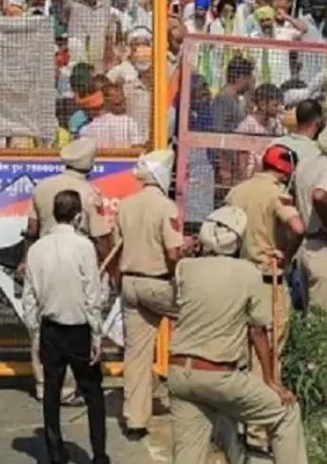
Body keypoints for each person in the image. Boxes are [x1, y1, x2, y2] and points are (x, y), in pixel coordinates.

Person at [168, 206, 307, 463]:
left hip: (180, 375)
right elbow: (257, 331)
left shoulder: (185, 268)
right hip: (219, 376)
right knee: (286, 413)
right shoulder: (248, 273)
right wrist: (270, 380)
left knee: (189, 451)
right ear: (239, 241)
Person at [223, 142, 305, 450]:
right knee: (268, 355)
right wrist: (286, 252)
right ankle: (258, 432)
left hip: (237, 278)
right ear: (287, 170)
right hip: (267, 279)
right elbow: (296, 226)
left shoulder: (237, 191)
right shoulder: (277, 193)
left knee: (241, 352)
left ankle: (237, 422)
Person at [21, 189, 109, 464]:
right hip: (80, 328)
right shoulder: (84, 247)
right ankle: (98, 453)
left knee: (51, 390)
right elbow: (92, 293)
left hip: (50, 327)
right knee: (93, 392)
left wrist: (34, 333)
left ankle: (54, 451)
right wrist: (97, 333)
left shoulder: (36, 249)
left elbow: (30, 296)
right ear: (78, 216)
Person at [21, 137, 111, 404]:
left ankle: (43, 384)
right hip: (75, 257)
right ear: (90, 164)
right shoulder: (89, 193)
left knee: (39, 321)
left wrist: (26, 259)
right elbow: (101, 235)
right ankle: (67, 389)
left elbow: (31, 229)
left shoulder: (42, 187)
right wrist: (108, 266)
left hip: (42, 254)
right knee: (72, 320)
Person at [116, 148, 190, 440]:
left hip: (130, 284)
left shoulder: (126, 205)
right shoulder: (166, 208)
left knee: (136, 354)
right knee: (199, 318)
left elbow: (116, 245)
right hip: (158, 284)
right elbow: (173, 252)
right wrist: (189, 247)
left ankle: (136, 421)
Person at [295, 119, 327, 320]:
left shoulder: (308, 163)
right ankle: (318, 353)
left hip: (305, 246)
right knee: (322, 322)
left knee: (311, 316)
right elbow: (319, 195)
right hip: (325, 249)